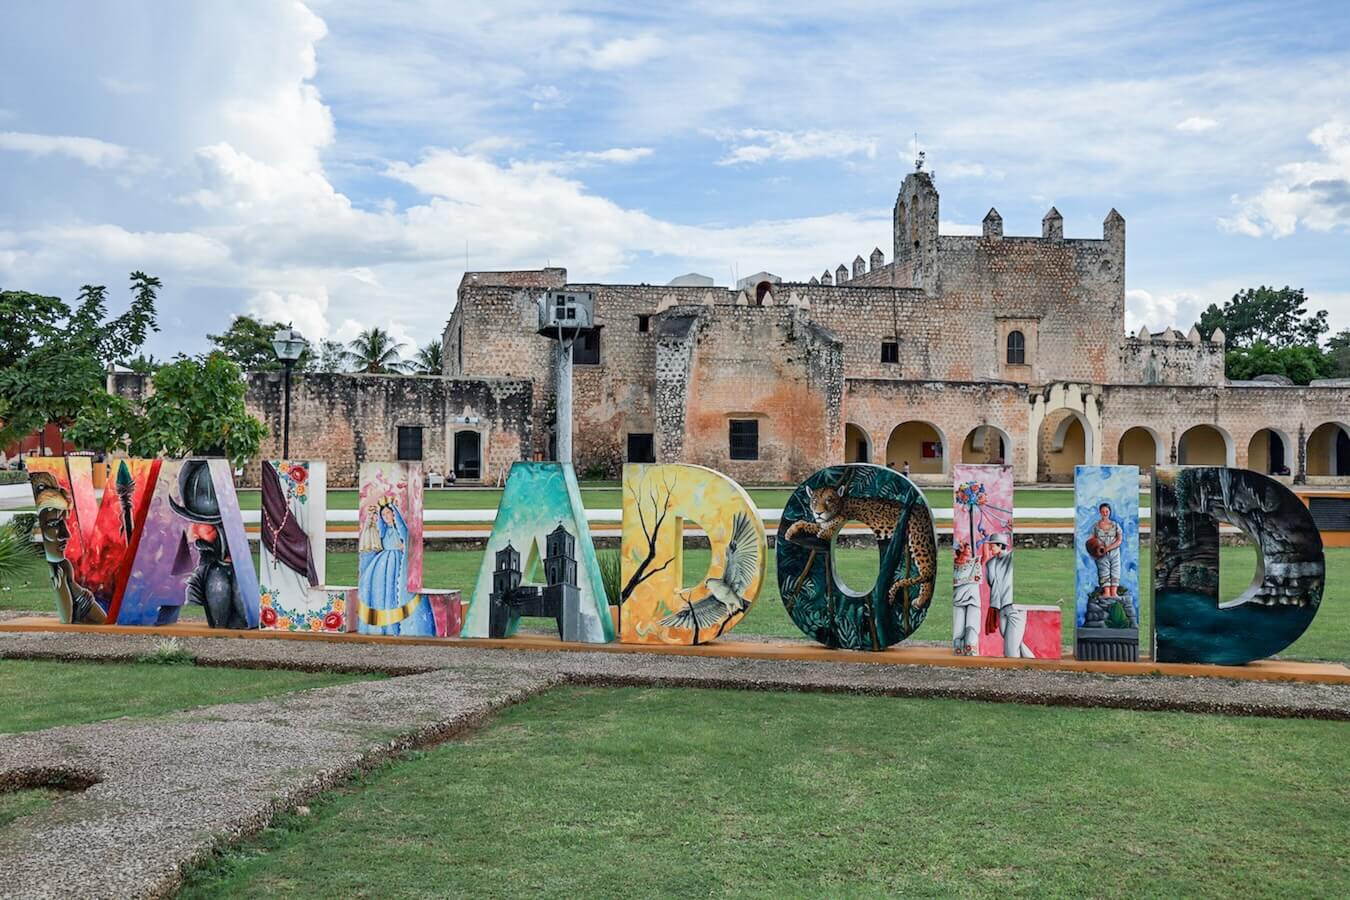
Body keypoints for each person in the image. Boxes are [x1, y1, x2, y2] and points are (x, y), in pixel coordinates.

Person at [31, 472, 106, 625]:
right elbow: (66, 618)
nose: (67, 534)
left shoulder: (63, 565)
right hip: (85, 607)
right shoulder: (58, 569)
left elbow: (67, 617)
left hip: (86, 604)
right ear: (40, 527)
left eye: (64, 522)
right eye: (54, 524)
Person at [356, 496, 431, 635]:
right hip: (383, 562)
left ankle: (395, 624)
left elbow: (407, 540)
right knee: (381, 590)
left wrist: (404, 545)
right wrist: (371, 517)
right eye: (383, 515)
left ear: (393, 513)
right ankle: (381, 624)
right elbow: (372, 534)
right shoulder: (383, 531)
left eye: (388, 513)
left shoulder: (399, 529)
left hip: (396, 561)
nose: (386, 517)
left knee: (394, 590)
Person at [982, 533, 1032, 657]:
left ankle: (1017, 671)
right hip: (1000, 607)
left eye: (993, 545)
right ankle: (1033, 662)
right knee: (1016, 643)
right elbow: (990, 582)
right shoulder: (990, 563)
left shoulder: (1011, 558)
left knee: (1010, 650)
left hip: (1014, 607)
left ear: (1001, 545)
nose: (990, 548)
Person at [951, 541, 982, 655]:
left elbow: (986, 557)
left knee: (972, 625)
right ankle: (958, 650)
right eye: (968, 548)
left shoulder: (974, 563)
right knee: (958, 628)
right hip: (958, 600)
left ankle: (971, 650)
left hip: (973, 600)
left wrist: (986, 539)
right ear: (961, 550)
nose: (970, 550)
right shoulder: (953, 565)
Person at [1092, 502, 1124, 600]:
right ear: (1100, 512)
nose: (1105, 513)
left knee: (1115, 569)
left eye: (1107, 511)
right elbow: (1092, 539)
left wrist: (1109, 548)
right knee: (1103, 570)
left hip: (1114, 552)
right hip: (1101, 553)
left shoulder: (1115, 525)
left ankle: (1114, 592)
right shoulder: (1096, 526)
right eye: (1103, 511)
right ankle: (1107, 592)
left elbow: (1119, 540)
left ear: (1110, 512)